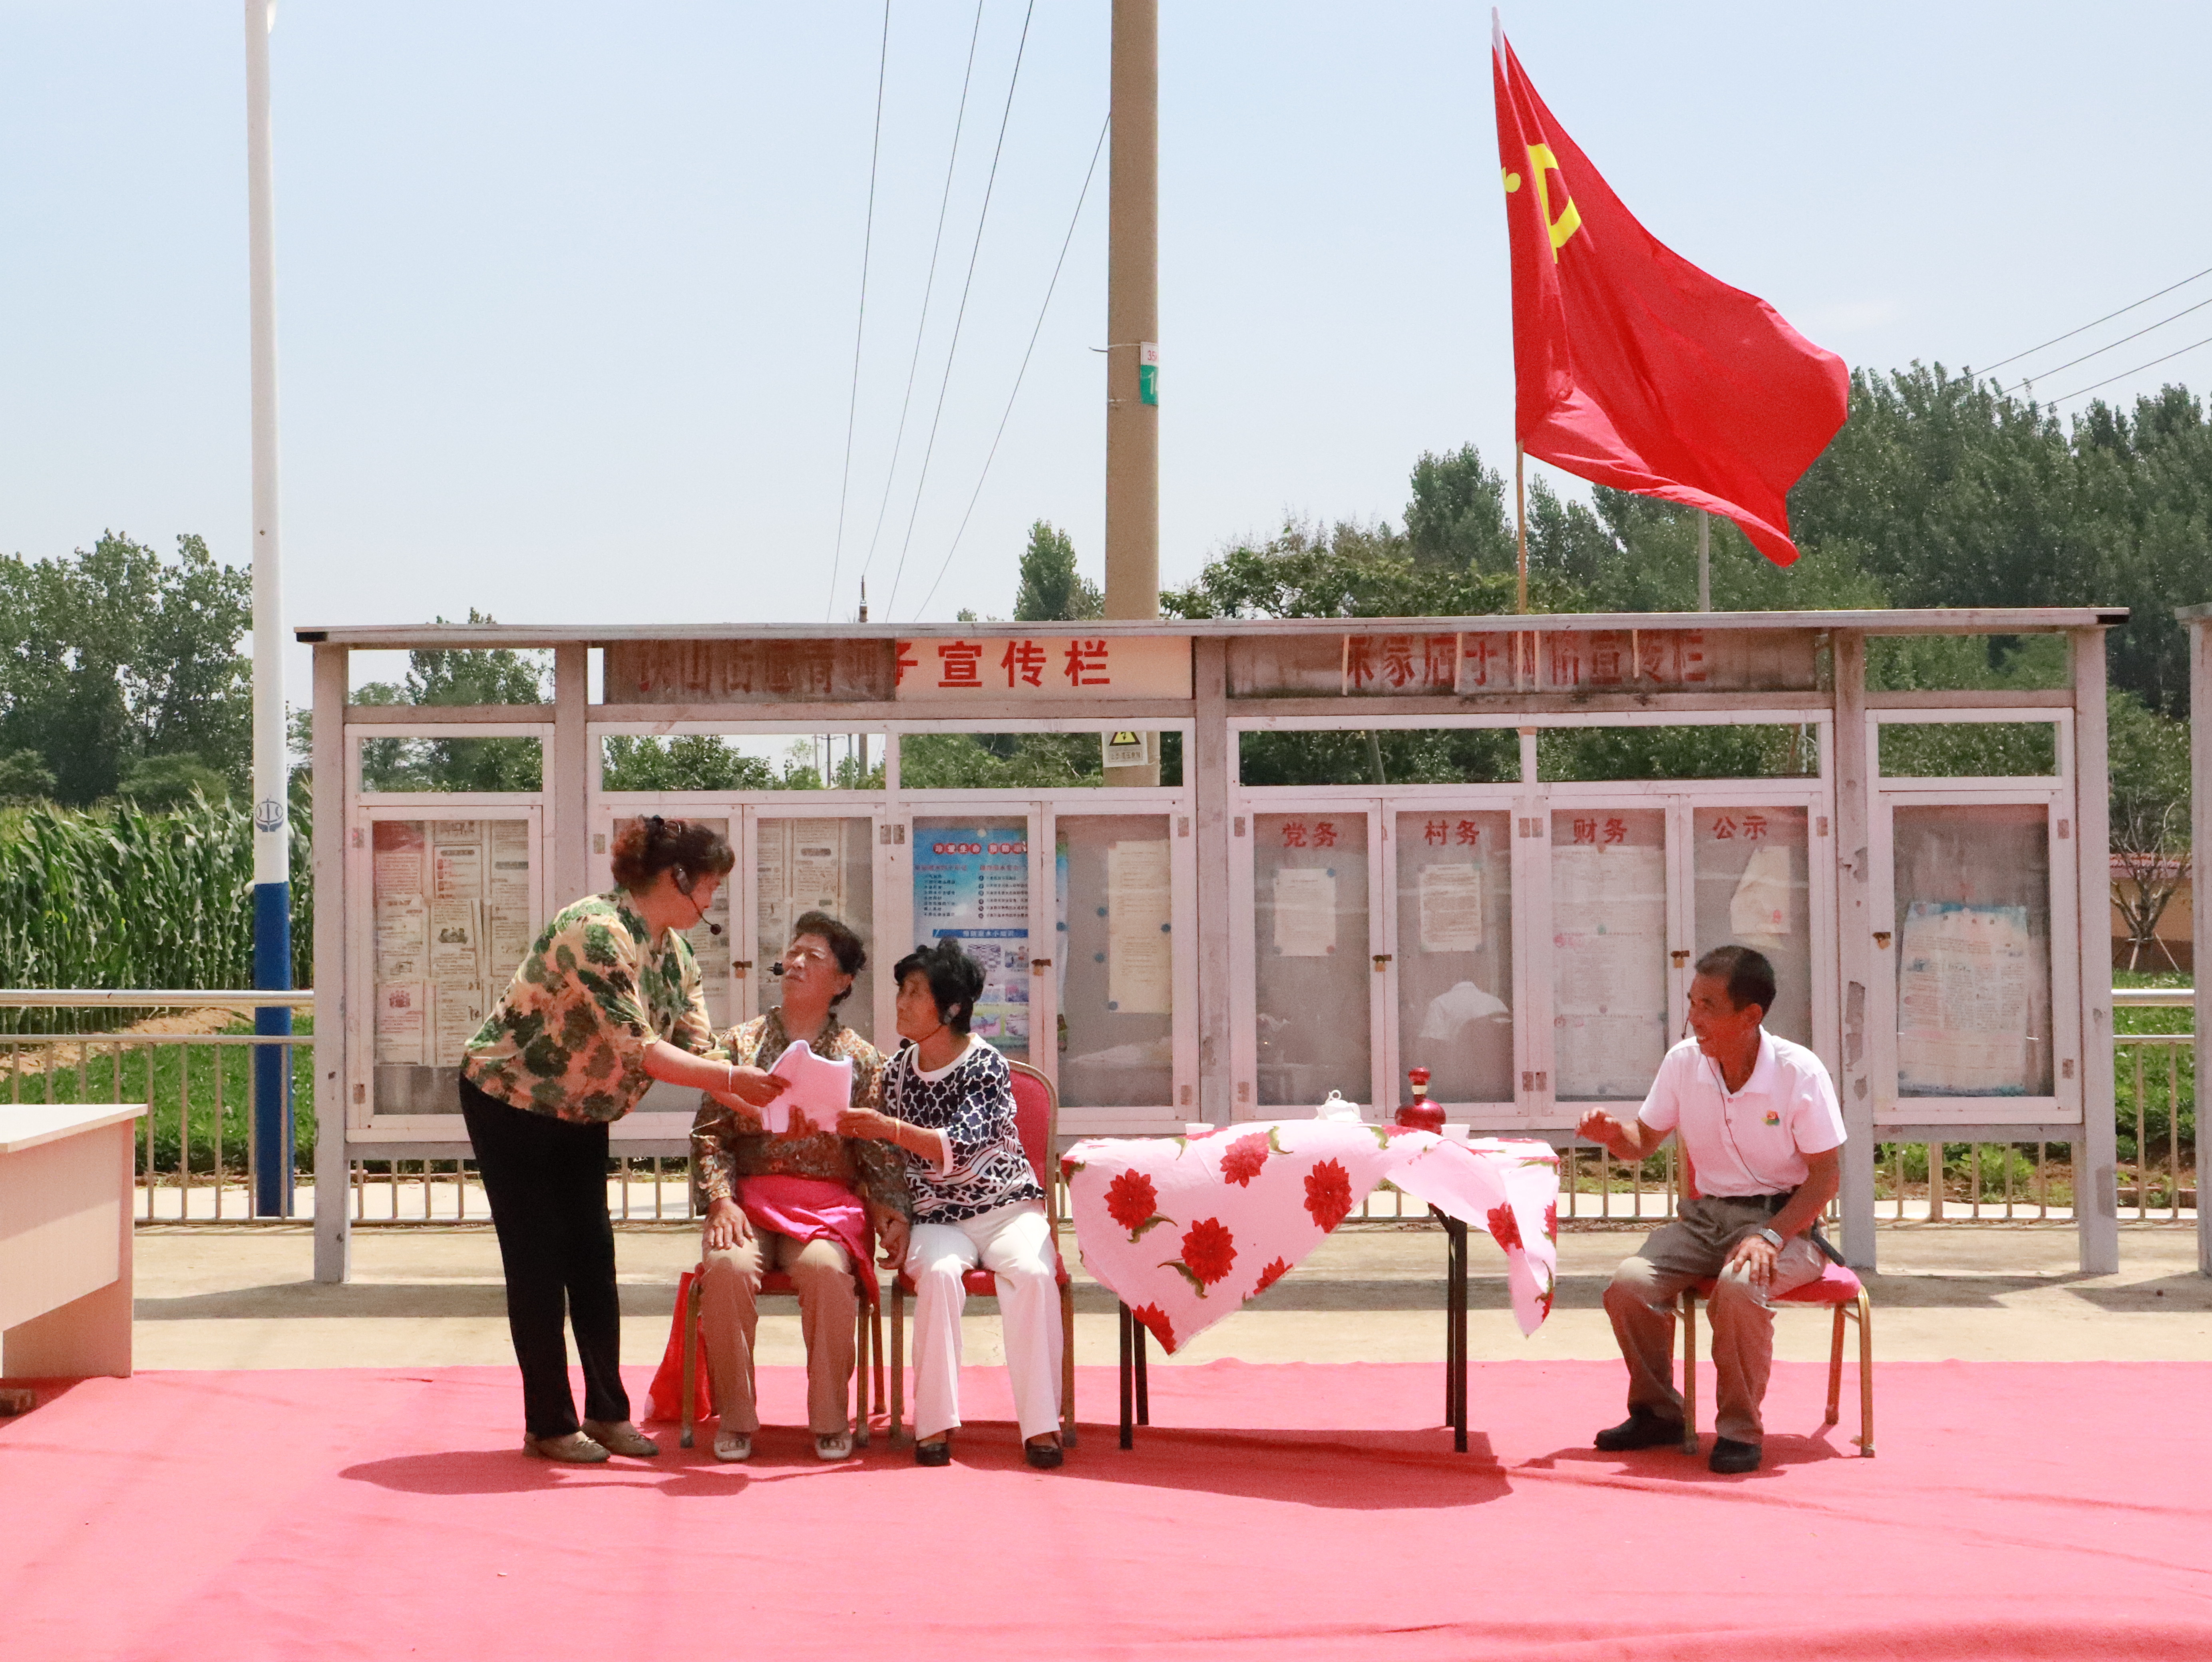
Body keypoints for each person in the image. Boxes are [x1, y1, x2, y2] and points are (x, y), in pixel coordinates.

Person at [460, 816, 786, 1463]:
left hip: (580, 1110)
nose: (714, 901)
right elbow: (646, 1051)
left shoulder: (676, 952)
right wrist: (733, 1079)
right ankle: (548, 1424)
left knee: (592, 1257)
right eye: (712, 886)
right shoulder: (598, 932)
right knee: (538, 1264)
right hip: (512, 1101)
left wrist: (771, 1098)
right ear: (680, 878)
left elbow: (701, 1049)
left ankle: (608, 1414)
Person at [1576, 944, 1845, 1475]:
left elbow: (1825, 1177)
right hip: (1704, 1220)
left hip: (1786, 1224)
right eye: (1691, 1003)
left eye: (1708, 1007)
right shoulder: (1683, 1064)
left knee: (1741, 1287)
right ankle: (1658, 1414)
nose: (1694, 1019)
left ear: (1751, 1016)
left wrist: (1771, 1236)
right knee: (1628, 1284)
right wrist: (1611, 1134)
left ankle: (1740, 1431)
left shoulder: (1800, 1073)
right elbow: (1642, 1141)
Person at [690, 911, 911, 1464]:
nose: (795, 963)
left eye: (814, 957)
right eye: (793, 953)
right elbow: (709, 1133)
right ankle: (737, 1417)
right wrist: (720, 1201)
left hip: (824, 1206)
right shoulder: (740, 1045)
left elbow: (878, 1148)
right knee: (727, 1267)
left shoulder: (860, 1059)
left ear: (843, 982)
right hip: (750, 1203)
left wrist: (889, 1208)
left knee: (824, 1272)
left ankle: (831, 1418)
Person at [838, 940, 1064, 1470]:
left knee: (1032, 1274)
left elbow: (963, 1145)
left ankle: (1042, 1427)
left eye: (915, 993)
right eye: (902, 990)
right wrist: (886, 1213)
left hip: (1006, 1208)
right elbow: (884, 1160)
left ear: (952, 1009)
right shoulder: (895, 1072)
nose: (901, 1002)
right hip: (937, 1216)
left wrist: (888, 1128)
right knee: (939, 1275)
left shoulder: (986, 1066)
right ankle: (934, 1424)